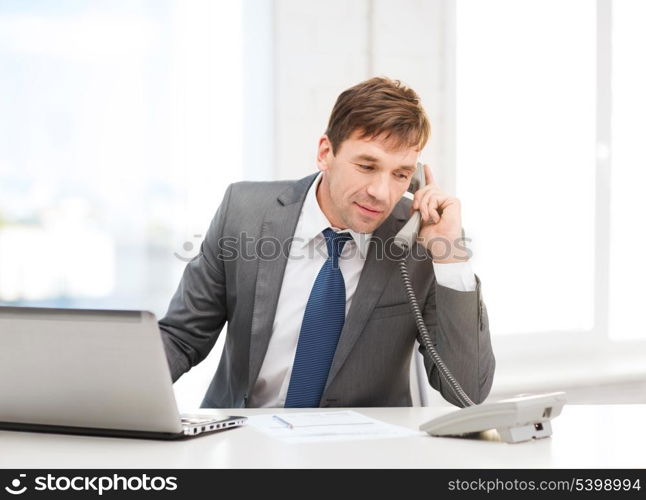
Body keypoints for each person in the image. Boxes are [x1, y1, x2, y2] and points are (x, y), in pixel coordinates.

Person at [159, 76, 495, 409]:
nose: (381, 193)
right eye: (367, 165)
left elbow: (468, 390)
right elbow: (181, 336)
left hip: (358, 450)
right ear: (325, 153)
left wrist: (450, 258)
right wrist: (116, 397)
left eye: (401, 174)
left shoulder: (419, 241)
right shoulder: (244, 211)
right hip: (245, 437)